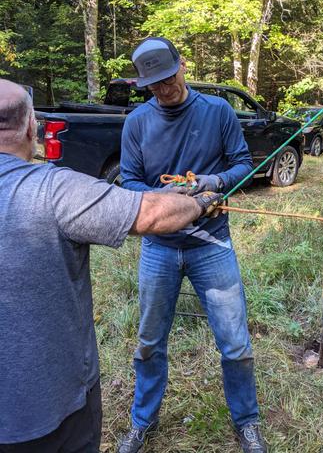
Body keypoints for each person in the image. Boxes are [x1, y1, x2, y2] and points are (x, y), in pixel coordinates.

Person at [0, 79, 221, 453]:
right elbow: (152, 215)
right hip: (54, 413)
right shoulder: (54, 191)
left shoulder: (216, 111)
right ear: (32, 127)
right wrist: (201, 203)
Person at [118, 37, 267, 453]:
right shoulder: (137, 123)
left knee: (235, 340)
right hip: (159, 248)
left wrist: (213, 182)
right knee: (149, 341)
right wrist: (171, 200)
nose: (163, 90)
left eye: (168, 78)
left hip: (212, 245)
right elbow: (128, 181)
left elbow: (243, 165)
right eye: (154, 85)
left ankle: (247, 422)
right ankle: (141, 422)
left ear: (182, 65)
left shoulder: (217, 111)